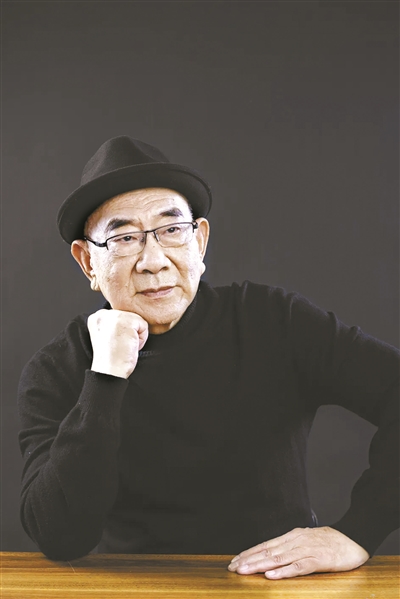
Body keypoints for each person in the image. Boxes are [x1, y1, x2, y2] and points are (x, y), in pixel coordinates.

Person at [18, 136, 399, 580]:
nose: (154, 261)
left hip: (277, 584)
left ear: (199, 242)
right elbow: (60, 536)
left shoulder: (273, 321)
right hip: (137, 587)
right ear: (88, 262)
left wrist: (359, 531)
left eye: (171, 230)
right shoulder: (56, 368)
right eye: (124, 238)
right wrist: (105, 376)